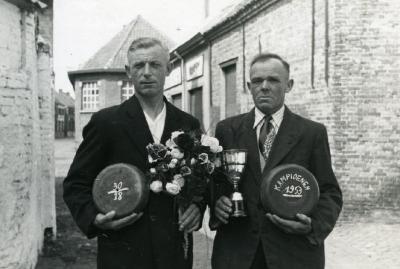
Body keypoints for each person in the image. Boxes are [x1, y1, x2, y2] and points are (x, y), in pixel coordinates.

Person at [63, 37, 203, 269]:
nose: (146, 72)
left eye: (155, 65)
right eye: (139, 66)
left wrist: (198, 207)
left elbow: (200, 180)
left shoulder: (188, 124)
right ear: (129, 71)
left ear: (168, 68)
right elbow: (76, 184)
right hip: (123, 253)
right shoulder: (106, 122)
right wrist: (94, 219)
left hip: (174, 253)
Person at [209, 53, 343, 269]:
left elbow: (330, 192)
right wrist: (218, 203)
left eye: (273, 80)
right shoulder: (227, 130)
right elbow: (216, 183)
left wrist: (312, 225)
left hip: (293, 254)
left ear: (288, 85)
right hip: (238, 254)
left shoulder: (312, 133)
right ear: (248, 86)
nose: (264, 86)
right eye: (257, 81)